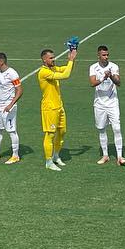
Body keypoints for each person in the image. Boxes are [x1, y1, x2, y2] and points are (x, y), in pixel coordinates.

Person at [39, 41, 77, 170]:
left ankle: (56, 156)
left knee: (62, 131)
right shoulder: (43, 72)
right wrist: (71, 60)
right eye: (51, 58)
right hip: (49, 108)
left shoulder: (52, 68)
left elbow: (66, 69)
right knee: (50, 134)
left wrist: (71, 58)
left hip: (59, 106)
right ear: (44, 60)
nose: (53, 59)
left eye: (53, 57)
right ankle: (48, 162)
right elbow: (65, 75)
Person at [88, 45, 125, 166]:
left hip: (112, 103)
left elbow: (119, 83)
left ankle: (120, 156)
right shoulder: (93, 67)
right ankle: (105, 155)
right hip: (99, 103)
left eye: (107, 55)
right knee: (101, 129)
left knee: (117, 128)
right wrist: (103, 78)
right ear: (98, 55)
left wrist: (111, 76)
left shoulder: (114, 67)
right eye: (103, 55)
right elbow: (93, 83)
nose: (106, 57)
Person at [0, 52, 23, 164]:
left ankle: (15, 155)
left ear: (2, 61)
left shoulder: (12, 73)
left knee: (11, 130)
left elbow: (19, 90)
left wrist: (11, 104)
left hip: (8, 106)